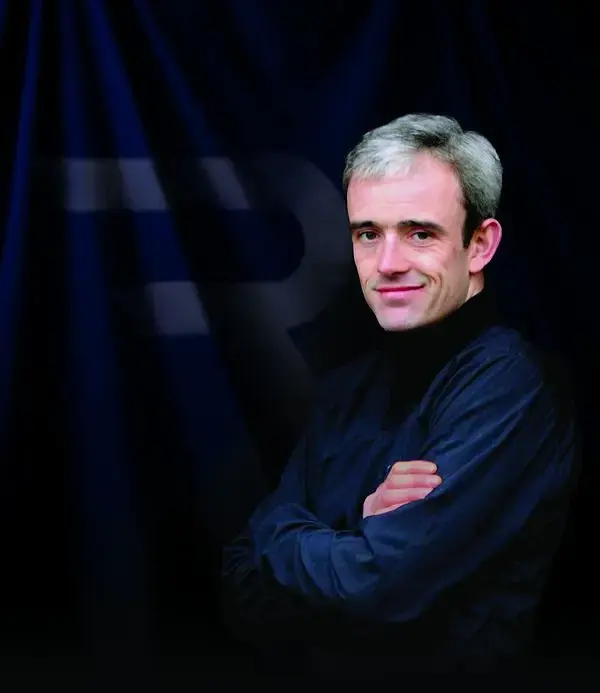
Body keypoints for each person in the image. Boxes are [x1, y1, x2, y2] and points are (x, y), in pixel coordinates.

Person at [221, 114, 579, 677]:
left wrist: (281, 532)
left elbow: (378, 590)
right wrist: (357, 524)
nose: (387, 265)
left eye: (420, 233)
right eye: (368, 233)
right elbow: (238, 578)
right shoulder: (346, 389)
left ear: (480, 245)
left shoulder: (510, 387)